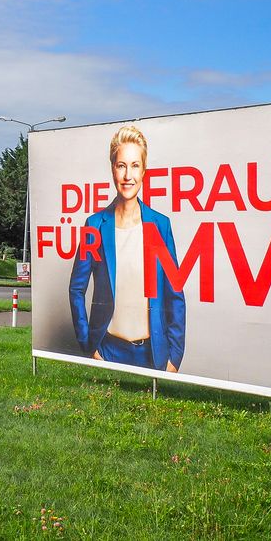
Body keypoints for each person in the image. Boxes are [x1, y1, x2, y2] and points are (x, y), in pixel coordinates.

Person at [68, 125, 186, 372]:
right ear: (112, 168)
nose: (127, 175)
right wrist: (88, 346)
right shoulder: (95, 225)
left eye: (134, 166)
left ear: (144, 171)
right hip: (108, 351)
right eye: (121, 165)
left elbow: (175, 295)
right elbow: (76, 288)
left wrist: (174, 357)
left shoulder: (160, 225)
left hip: (153, 354)